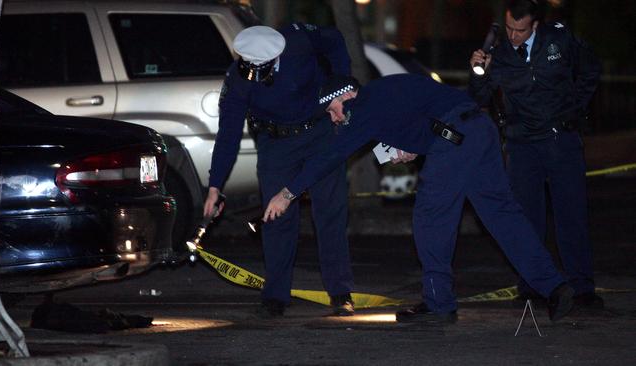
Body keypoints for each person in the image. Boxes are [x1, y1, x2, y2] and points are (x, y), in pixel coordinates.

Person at [263, 74, 575, 323]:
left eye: (331, 111)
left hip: (455, 141)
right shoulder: (385, 91)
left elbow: (330, 156)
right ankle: (555, 286)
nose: (333, 120)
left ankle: (439, 304)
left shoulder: (364, 108)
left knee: (430, 218)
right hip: (481, 129)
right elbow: (428, 112)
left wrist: (287, 193)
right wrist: (417, 145)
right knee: (503, 215)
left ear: (345, 96)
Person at [204, 24, 355, 318]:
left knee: (330, 211)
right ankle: (275, 295)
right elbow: (229, 133)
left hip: (320, 133)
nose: (256, 77)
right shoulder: (236, 79)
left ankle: (340, 291)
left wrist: (343, 83)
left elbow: (335, 39)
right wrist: (214, 186)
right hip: (276, 143)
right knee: (275, 216)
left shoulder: (299, 42)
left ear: (276, 57)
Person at [468, 0, 602, 308]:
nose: (514, 36)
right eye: (510, 28)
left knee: (572, 214)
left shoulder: (559, 38)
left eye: (521, 30)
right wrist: (478, 73)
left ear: (535, 25)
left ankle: (581, 287)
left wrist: (576, 108)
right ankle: (532, 284)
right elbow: (478, 98)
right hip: (521, 144)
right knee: (527, 218)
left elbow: (590, 69)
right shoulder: (498, 53)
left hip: (561, 140)